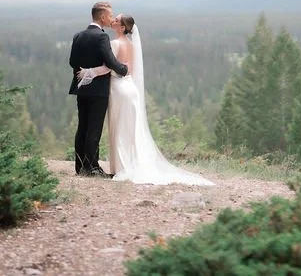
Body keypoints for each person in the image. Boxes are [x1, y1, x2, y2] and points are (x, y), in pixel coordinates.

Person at [75, 14, 214, 186]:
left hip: (119, 89)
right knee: (130, 129)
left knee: (119, 127)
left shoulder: (115, 43)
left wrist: (89, 72)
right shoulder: (131, 45)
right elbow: (128, 69)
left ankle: (122, 168)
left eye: (117, 21)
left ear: (123, 27)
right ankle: (130, 163)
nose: (113, 21)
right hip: (130, 88)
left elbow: (110, 67)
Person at [68, 1, 129, 176]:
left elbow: (72, 62)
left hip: (81, 88)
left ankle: (80, 167)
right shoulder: (102, 37)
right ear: (102, 17)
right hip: (98, 90)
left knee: (83, 127)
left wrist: (84, 73)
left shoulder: (78, 35)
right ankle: (93, 168)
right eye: (110, 15)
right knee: (94, 129)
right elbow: (110, 61)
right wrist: (124, 70)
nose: (111, 18)